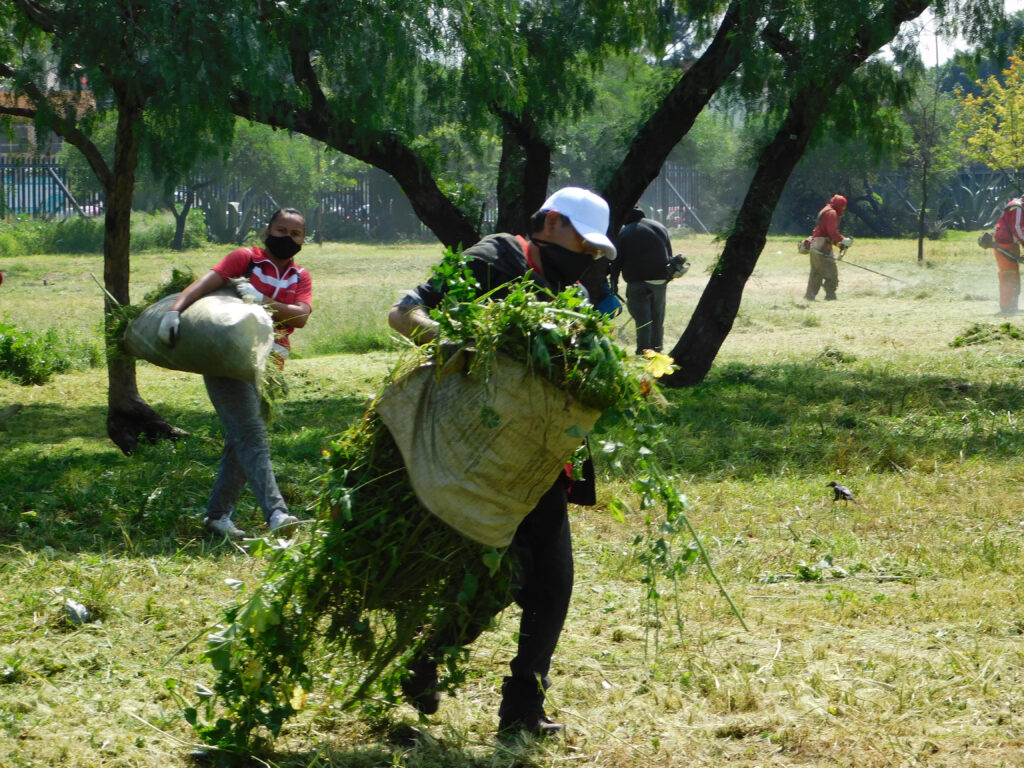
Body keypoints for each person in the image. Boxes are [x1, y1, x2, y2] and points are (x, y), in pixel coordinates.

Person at [387, 186, 616, 737]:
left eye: (593, 252)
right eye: (582, 245)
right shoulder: (494, 258)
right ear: (553, 223)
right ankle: (429, 660)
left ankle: (522, 710)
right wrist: (461, 341)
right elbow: (403, 312)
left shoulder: (570, 287)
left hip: (540, 458)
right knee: (506, 576)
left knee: (553, 580)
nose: (586, 258)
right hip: (484, 454)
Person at [157, 208, 313, 538]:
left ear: (304, 239)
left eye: (296, 234)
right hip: (228, 361)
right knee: (252, 436)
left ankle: (217, 517)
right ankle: (277, 513)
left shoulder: (301, 276)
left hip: (268, 369)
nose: (288, 238)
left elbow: (300, 317)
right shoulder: (246, 259)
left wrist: (264, 300)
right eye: (281, 230)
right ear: (267, 230)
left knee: (241, 441)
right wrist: (174, 313)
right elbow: (203, 284)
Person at [610, 206, 688, 355]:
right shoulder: (660, 227)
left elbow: (616, 262)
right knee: (657, 317)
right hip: (660, 280)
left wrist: (613, 282)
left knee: (642, 318)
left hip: (637, 282)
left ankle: (643, 350)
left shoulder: (625, 232)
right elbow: (670, 256)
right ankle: (657, 349)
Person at [804, 194, 853, 301]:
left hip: (816, 243)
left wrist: (838, 243)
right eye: (843, 207)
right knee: (832, 273)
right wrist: (844, 240)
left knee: (816, 272)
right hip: (822, 245)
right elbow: (832, 232)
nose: (843, 210)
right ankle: (830, 295)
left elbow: (826, 231)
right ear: (840, 205)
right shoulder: (832, 213)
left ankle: (809, 296)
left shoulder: (826, 210)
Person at [991, 196, 1024, 315]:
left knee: (1013, 276)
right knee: (1008, 276)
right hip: (1005, 243)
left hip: (1010, 244)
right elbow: (1017, 228)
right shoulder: (1018, 207)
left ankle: (1012, 306)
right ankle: (1007, 307)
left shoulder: (1018, 206)